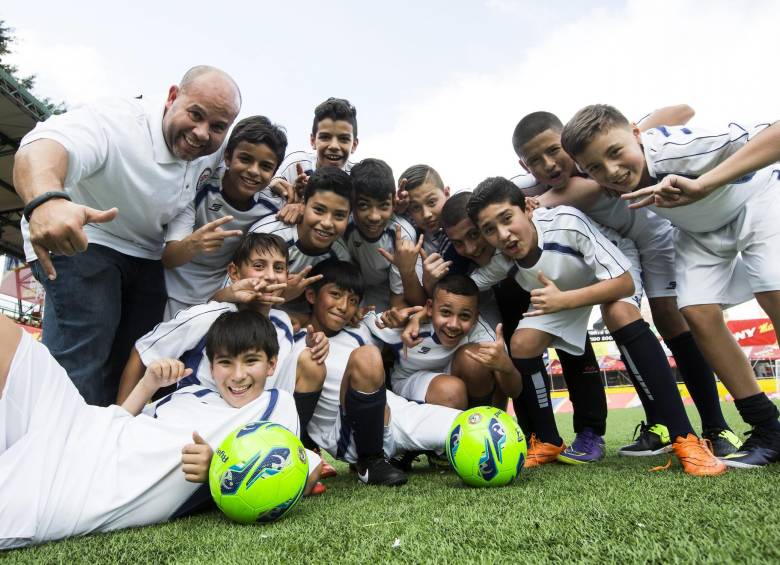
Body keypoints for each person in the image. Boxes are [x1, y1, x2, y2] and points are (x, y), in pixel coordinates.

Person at [511, 110, 741, 457]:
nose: (549, 164)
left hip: (656, 235)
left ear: (568, 142)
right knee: (620, 315)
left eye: (555, 150)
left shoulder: (592, 163)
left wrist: (630, 138)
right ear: (524, 165)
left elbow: (682, 110)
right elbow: (497, 198)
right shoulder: (529, 188)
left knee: (670, 317)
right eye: (535, 161)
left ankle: (716, 426)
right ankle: (659, 425)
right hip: (616, 248)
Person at [561, 105, 780, 468]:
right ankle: (767, 428)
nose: (611, 171)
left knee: (772, 291)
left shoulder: (678, 150)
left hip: (757, 199)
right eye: (596, 167)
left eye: (615, 152)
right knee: (695, 312)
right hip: (701, 231)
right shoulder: (615, 180)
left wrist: (704, 183)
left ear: (637, 134)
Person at [12, 65, 241, 406]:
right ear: (172, 97)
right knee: (84, 357)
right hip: (87, 238)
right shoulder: (118, 123)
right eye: (195, 114)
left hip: (146, 253)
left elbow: (249, 161)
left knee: (134, 360)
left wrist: (287, 187)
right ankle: (56, 434)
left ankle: (111, 432)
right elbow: (43, 145)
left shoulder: (211, 149)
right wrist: (46, 200)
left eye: (218, 127)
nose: (201, 133)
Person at [466, 176, 726, 476]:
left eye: (506, 218)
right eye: (490, 230)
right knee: (522, 344)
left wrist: (564, 301)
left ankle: (686, 438)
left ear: (527, 208)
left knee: (619, 314)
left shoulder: (567, 222)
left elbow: (624, 283)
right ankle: (548, 440)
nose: (503, 234)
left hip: (612, 274)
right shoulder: (503, 259)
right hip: (560, 294)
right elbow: (469, 286)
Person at [0, 309, 322, 549]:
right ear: (212, 367)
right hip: (79, 422)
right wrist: (148, 384)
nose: (237, 375)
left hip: (85, 486)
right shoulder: (192, 393)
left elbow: (295, 474)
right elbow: (119, 421)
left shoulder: (273, 404)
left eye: (250, 361)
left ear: (271, 364)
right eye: (225, 362)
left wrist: (217, 470)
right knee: (8, 336)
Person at [438, 192, 609, 464]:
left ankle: (590, 431)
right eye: (460, 242)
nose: (470, 248)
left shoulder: (522, 234)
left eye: (474, 234)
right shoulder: (456, 257)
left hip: (557, 292)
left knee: (574, 348)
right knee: (518, 355)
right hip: (508, 307)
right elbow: (449, 292)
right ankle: (536, 436)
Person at [283, 259, 463, 485]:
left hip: (394, 413)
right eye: (335, 295)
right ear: (311, 295)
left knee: (473, 425)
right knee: (367, 355)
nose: (343, 306)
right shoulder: (291, 338)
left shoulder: (361, 328)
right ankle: (370, 464)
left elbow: (407, 324)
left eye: (352, 301)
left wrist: (413, 319)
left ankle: (400, 454)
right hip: (349, 435)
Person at [162, 116, 288, 319]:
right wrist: (195, 243)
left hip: (221, 296)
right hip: (168, 287)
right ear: (228, 157)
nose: (253, 171)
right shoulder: (200, 186)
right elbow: (169, 258)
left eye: (265, 166)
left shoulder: (273, 207)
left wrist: (298, 205)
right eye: (245, 159)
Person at [367, 274, 518, 410]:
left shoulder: (483, 334)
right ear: (430, 307)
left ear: (475, 317)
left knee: (477, 359)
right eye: (446, 312)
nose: (453, 324)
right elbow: (363, 322)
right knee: (452, 391)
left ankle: (482, 422)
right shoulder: (406, 322)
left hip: (455, 375)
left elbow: (514, 391)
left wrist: (507, 368)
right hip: (412, 379)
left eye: (464, 316)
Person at [236, 167, 352, 312]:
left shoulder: (341, 257)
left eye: (339, 215)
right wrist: (283, 295)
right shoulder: (268, 236)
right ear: (302, 204)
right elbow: (233, 297)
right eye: (319, 210)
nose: (327, 223)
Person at [344, 158, 425, 310]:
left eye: (383, 206)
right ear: (351, 203)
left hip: (386, 290)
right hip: (355, 287)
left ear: (394, 203)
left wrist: (393, 315)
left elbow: (397, 299)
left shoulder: (402, 235)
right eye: (364, 205)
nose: (374, 216)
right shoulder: (344, 226)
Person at [269, 97, 358, 222]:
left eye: (343, 139)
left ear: (354, 145)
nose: (334, 146)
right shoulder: (297, 163)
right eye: (325, 137)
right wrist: (277, 184)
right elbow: (273, 184)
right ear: (313, 141)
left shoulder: (357, 177)